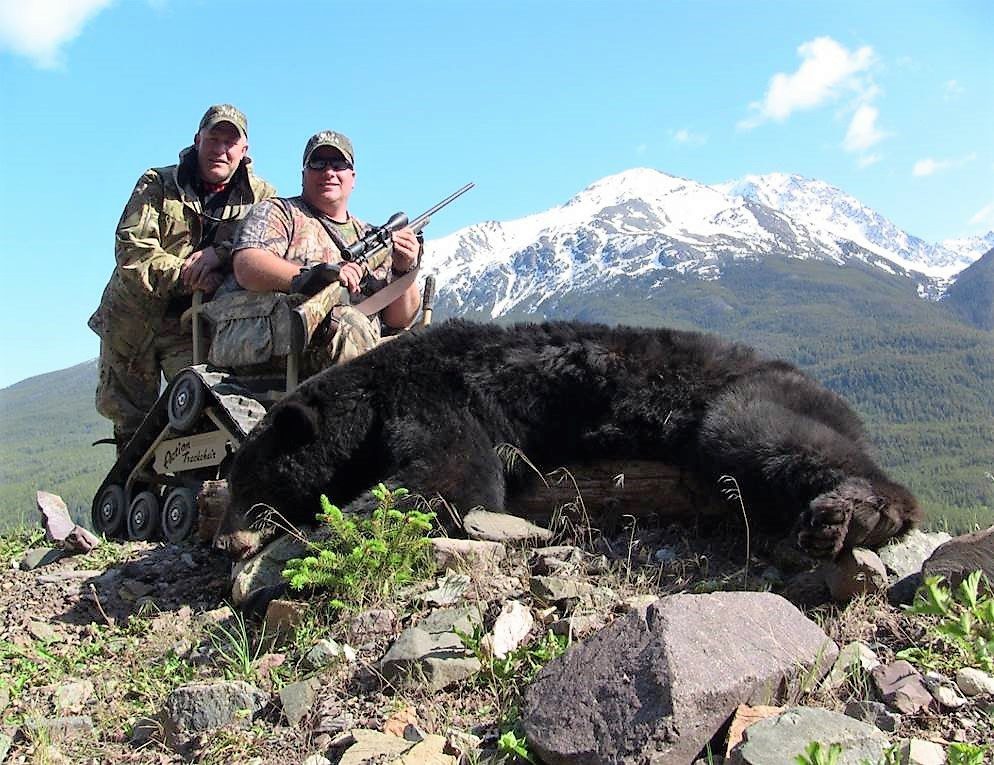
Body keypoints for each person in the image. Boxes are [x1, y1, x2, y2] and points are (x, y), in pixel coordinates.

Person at [89, 104, 276, 452]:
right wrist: (187, 274)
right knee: (130, 425)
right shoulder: (157, 183)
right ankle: (131, 498)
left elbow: (266, 247)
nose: (220, 149)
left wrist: (219, 255)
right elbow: (133, 251)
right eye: (213, 138)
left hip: (196, 329)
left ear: (244, 150)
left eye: (230, 142)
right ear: (197, 139)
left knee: (196, 418)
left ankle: (190, 500)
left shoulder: (263, 198)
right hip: (133, 321)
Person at [231, 130, 422, 372]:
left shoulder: (373, 238)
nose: (328, 172)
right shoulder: (278, 212)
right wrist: (315, 276)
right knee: (349, 325)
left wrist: (403, 269)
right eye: (318, 163)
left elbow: (400, 320)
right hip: (299, 349)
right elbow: (247, 265)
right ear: (303, 174)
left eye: (339, 164)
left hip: (367, 349)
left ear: (353, 177)